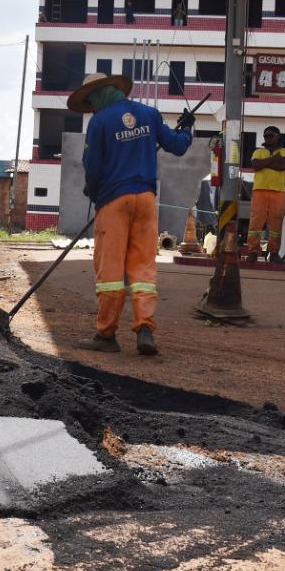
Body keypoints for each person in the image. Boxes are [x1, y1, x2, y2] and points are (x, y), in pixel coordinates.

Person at [70, 71, 194, 357]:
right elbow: (176, 145)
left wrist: (95, 191)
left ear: (98, 94)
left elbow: (92, 166)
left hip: (114, 202)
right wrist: (187, 129)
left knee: (111, 271)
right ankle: (145, 328)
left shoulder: (99, 121)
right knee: (143, 269)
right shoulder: (149, 114)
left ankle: (106, 334)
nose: (91, 106)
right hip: (146, 200)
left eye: (90, 100)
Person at [246, 126, 285, 263]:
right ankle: (253, 251)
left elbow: (282, 166)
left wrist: (264, 163)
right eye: (266, 136)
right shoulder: (258, 151)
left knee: (276, 224)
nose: (268, 138)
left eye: (271, 136)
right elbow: (255, 166)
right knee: (255, 222)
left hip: (278, 192)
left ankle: (274, 252)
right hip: (259, 190)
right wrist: (273, 159)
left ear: (278, 137)